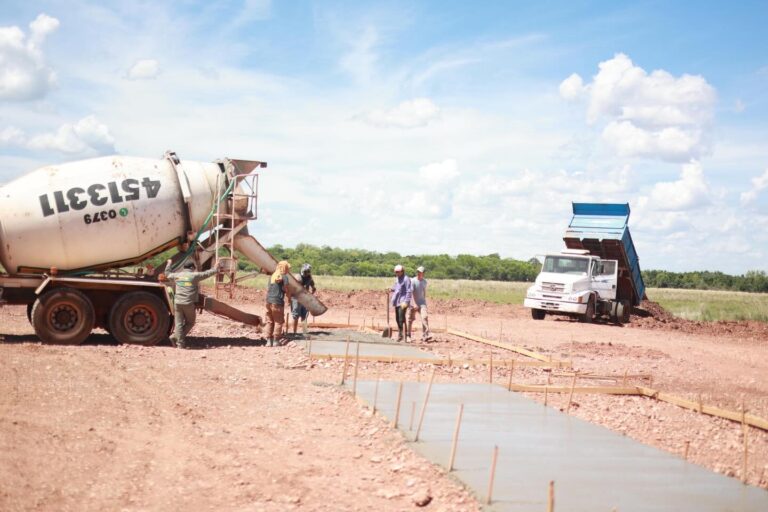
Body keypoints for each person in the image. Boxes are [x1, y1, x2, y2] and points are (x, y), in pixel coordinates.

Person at [165, 259, 221, 349]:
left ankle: (179, 343)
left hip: (178, 303)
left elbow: (167, 274)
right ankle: (175, 338)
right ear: (192, 268)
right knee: (190, 322)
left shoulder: (177, 276)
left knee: (178, 324)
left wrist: (169, 263)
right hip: (188, 303)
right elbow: (207, 273)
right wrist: (216, 267)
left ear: (184, 268)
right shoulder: (194, 276)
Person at [265, 260, 292, 347]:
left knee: (269, 321)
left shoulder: (272, 276)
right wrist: (289, 299)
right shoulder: (284, 277)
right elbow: (287, 290)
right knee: (278, 321)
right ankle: (276, 341)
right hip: (277, 302)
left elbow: (268, 289)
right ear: (285, 268)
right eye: (287, 268)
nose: (288, 270)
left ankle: (269, 341)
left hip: (268, 301)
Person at [389, 264, 412, 342]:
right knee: (397, 318)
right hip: (397, 301)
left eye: (398, 272)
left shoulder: (406, 279)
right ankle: (400, 333)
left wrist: (406, 301)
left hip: (403, 301)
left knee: (401, 318)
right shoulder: (397, 279)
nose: (397, 273)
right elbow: (396, 287)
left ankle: (403, 335)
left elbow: (409, 291)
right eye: (396, 272)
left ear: (402, 271)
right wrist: (390, 289)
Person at [291, 263, 316, 334]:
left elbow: (313, 287)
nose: (306, 273)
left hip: (305, 298)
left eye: (308, 271)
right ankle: (294, 333)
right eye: (305, 271)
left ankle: (304, 332)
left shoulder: (309, 277)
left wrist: (312, 291)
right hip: (297, 298)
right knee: (295, 316)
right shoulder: (298, 277)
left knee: (304, 316)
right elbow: (293, 288)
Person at [409, 266, 432, 341]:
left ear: (423, 273)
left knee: (424, 317)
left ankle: (425, 335)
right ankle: (408, 335)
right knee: (410, 319)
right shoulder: (413, 280)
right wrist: (414, 303)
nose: (419, 273)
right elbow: (411, 293)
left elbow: (424, 292)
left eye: (420, 272)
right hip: (414, 302)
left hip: (422, 303)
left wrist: (424, 303)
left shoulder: (425, 282)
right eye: (418, 272)